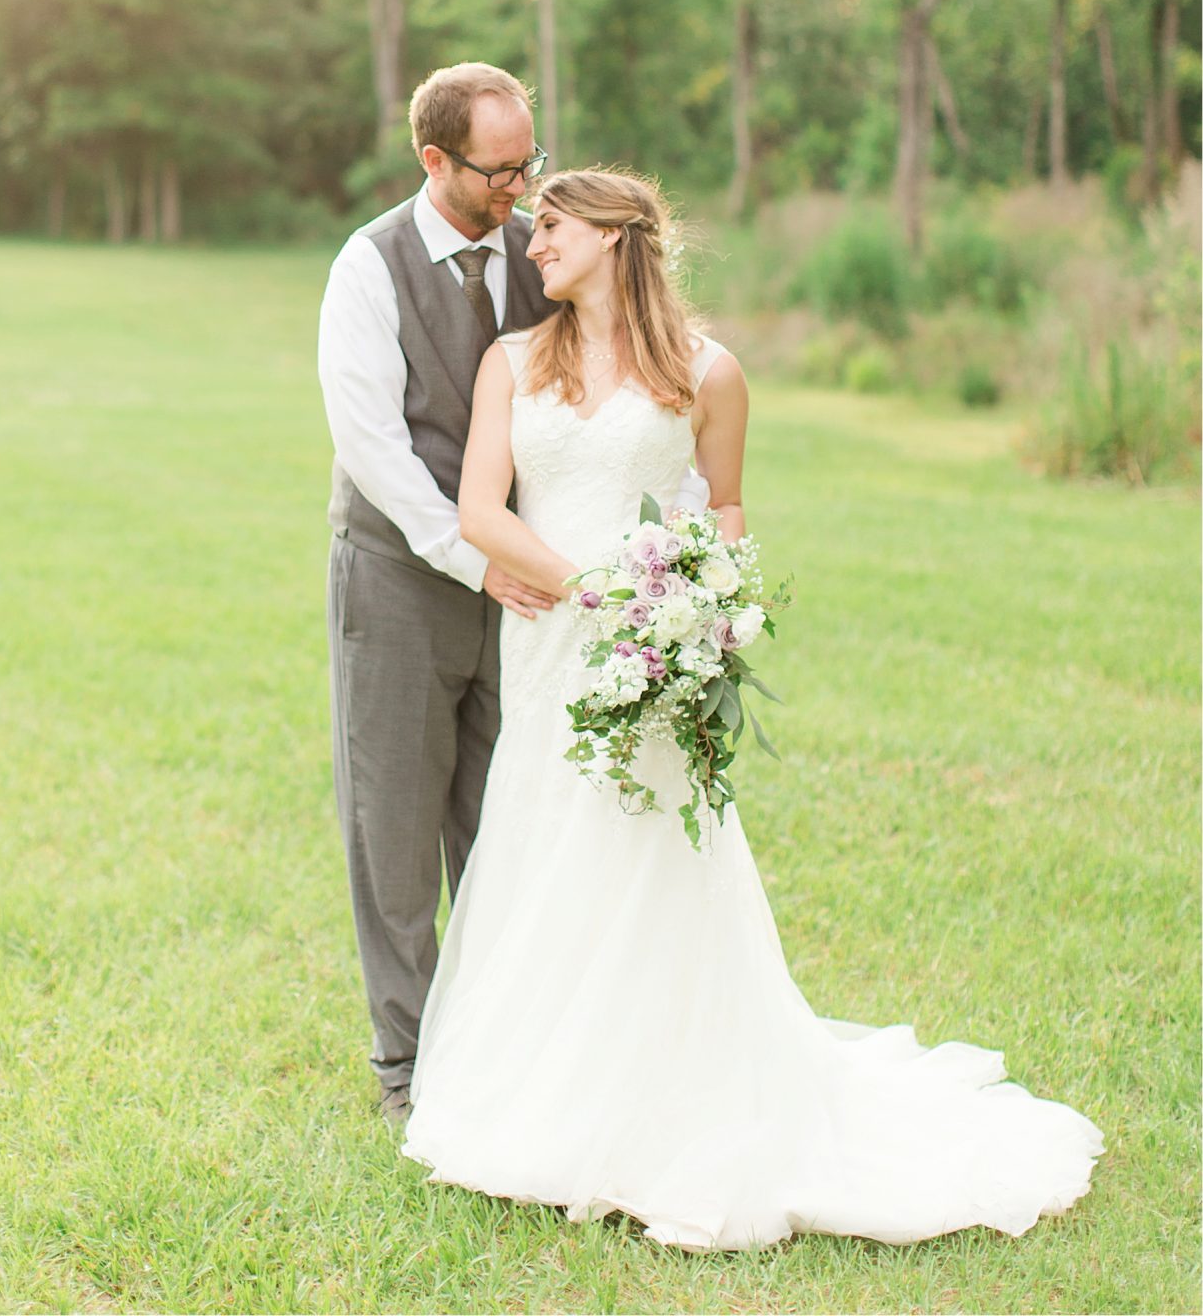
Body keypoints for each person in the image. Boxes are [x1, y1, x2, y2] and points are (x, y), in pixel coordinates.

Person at [402, 167, 1103, 1250]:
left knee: (651, 857)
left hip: (655, 651)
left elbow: (722, 507)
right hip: (553, 640)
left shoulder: (708, 372)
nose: (534, 244)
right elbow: (480, 509)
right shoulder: (511, 362)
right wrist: (590, 593)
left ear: (616, 235)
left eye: (554, 227)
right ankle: (542, 1093)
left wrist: (699, 615)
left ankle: (673, 1102)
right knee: (547, 844)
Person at [317, 62, 557, 1125]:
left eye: (527, 163)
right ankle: (404, 1064)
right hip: (402, 576)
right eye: (496, 169)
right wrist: (471, 557)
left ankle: (506, 1032)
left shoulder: (543, 252)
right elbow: (371, 442)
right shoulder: (367, 266)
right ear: (433, 159)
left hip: (526, 584)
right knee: (396, 822)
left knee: (510, 810)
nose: (518, 186)